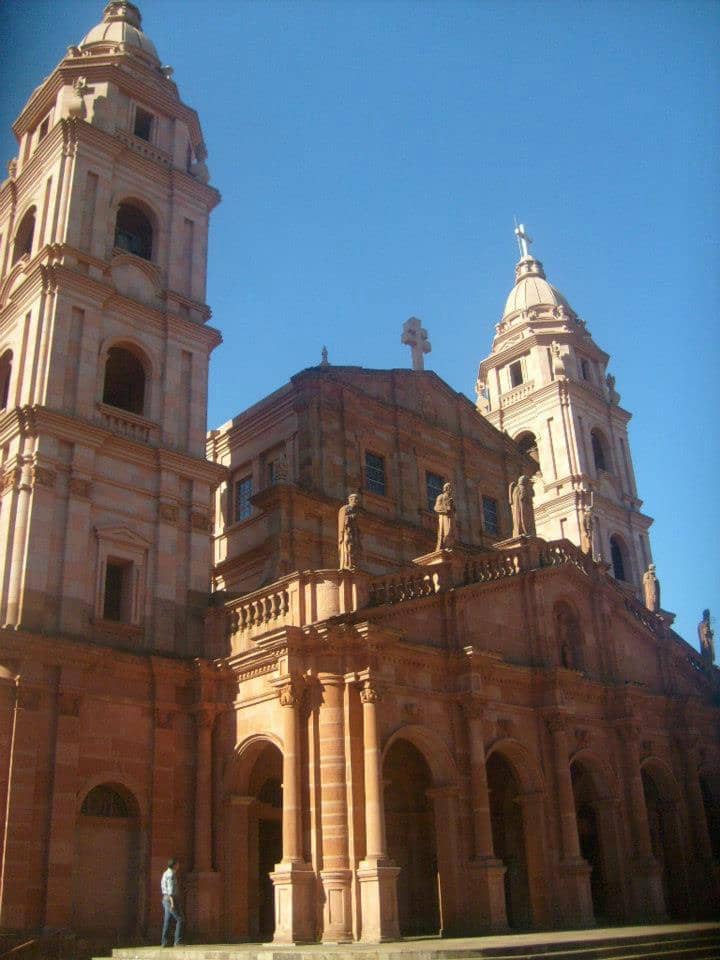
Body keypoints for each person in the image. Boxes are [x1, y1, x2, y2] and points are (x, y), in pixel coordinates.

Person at [160, 858, 183, 947]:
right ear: (174, 865)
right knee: (180, 919)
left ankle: (164, 942)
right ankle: (177, 941)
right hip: (170, 900)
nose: (178, 866)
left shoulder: (165, 873)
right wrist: (172, 903)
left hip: (165, 899)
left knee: (167, 920)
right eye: (177, 864)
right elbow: (170, 890)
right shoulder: (171, 875)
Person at [338, 492, 362, 570]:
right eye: (356, 499)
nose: (357, 501)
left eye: (357, 499)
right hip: (346, 531)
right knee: (348, 546)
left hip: (353, 532)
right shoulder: (345, 508)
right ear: (350, 499)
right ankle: (346, 564)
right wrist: (341, 535)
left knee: (354, 548)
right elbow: (341, 521)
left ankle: (352, 564)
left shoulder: (356, 511)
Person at [434, 482, 457, 550]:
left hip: (451, 518)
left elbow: (454, 510)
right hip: (444, 517)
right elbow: (436, 507)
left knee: (452, 533)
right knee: (446, 532)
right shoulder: (441, 496)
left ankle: (449, 546)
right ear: (446, 488)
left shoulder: (451, 499)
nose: (451, 490)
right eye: (450, 488)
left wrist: (452, 505)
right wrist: (446, 509)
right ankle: (445, 546)